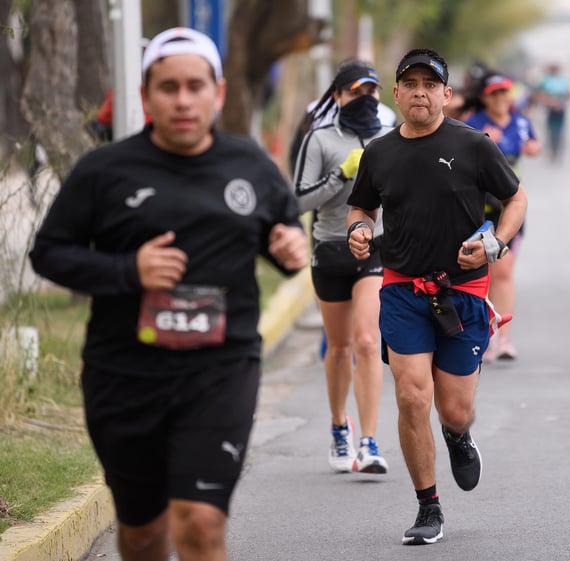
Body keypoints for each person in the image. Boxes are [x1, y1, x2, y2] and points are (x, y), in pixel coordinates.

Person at [28, 27, 308, 561]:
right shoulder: (104, 171)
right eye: (169, 87)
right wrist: (129, 270)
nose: (183, 100)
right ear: (146, 96)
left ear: (218, 93)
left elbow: (283, 236)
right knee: (142, 533)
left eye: (195, 86)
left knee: (200, 523)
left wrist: (291, 250)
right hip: (124, 374)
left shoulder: (248, 164)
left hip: (220, 370)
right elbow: (48, 253)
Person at [346, 48, 527, 545]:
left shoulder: (474, 145)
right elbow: (360, 204)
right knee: (410, 395)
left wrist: (495, 243)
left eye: (431, 84)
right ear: (398, 93)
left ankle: (457, 434)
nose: (421, 92)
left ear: (446, 94)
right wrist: (360, 229)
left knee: (454, 408)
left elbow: (515, 197)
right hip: (403, 287)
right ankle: (429, 505)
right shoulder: (379, 153)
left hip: (463, 292)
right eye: (411, 83)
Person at [292, 60, 392, 474]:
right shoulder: (319, 139)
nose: (363, 99)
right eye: (355, 92)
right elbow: (298, 201)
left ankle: (369, 442)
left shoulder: (391, 138)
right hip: (331, 251)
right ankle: (339, 427)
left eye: (371, 92)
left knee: (368, 341)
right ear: (337, 96)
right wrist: (341, 174)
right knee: (340, 347)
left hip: (376, 250)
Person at [465, 72, 540, 361]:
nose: (501, 99)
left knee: (504, 271)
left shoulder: (520, 121)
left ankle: (503, 337)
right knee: (486, 273)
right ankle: (484, 336)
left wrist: (531, 148)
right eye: (494, 94)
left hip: (511, 206)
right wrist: (484, 143)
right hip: (480, 208)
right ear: (485, 97)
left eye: (504, 93)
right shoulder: (474, 124)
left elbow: (533, 144)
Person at [533, 62, 570, 162]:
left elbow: (569, 94)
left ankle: (557, 152)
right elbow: (538, 94)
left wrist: (560, 101)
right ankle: (551, 151)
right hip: (549, 110)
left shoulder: (563, 81)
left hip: (561, 110)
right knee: (550, 131)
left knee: (559, 132)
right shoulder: (546, 81)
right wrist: (550, 101)